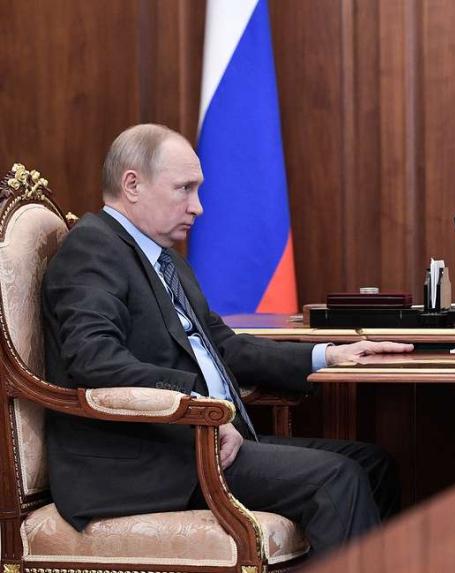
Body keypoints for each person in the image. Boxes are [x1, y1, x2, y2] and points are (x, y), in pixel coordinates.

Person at [42, 124, 414, 554]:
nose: (198, 207)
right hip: (147, 460)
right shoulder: (93, 248)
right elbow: (95, 359)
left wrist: (326, 355)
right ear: (132, 185)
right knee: (339, 478)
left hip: (204, 440)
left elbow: (225, 346)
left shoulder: (166, 260)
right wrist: (202, 410)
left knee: (373, 465)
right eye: (184, 189)